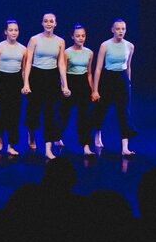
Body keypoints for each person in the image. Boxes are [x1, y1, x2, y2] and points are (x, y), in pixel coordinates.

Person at [21, 13, 71, 160]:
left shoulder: (60, 41)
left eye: (51, 21)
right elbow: (28, 62)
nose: (48, 23)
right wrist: (26, 82)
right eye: (46, 21)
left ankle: (48, 149)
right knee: (33, 111)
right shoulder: (34, 39)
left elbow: (61, 63)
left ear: (55, 24)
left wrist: (65, 85)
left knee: (50, 114)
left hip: (52, 77)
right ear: (42, 23)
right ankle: (31, 133)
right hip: (36, 76)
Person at [91, 19, 138, 156]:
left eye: (123, 29)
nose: (121, 31)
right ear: (112, 30)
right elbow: (98, 68)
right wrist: (95, 89)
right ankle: (97, 134)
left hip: (122, 79)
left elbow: (128, 66)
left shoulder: (130, 46)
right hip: (108, 78)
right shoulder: (105, 45)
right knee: (101, 109)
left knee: (124, 112)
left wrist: (129, 82)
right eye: (118, 29)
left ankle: (125, 147)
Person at [0, 20, 26, 156]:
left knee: (15, 114)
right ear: (5, 32)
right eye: (11, 30)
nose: (14, 32)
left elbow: (23, 69)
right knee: (3, 112)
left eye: (16, 30)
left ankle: (11, 144)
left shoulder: (23, 49)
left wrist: (25, 84)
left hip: (16, 81)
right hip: (2, 81)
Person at [59, 24, 97, 156]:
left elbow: (89, 73)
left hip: (83, 84)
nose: (81, 38)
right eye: (78, 36)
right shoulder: (67, 52)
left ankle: (86, 146)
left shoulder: (89, 52)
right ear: (72, 37)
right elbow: (62, 71)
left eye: (83, 36)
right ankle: (57, 137)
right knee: (64, 114)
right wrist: (64, 86)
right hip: (70, 83)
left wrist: (93, 90)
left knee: (85, 117)